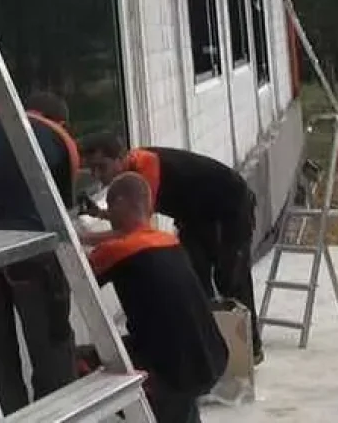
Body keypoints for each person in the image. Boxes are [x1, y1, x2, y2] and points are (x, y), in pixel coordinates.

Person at [80, 134, 263, 364]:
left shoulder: (146, 165)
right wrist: (100, 214)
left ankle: (251, 349)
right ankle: (211, 349)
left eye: (102, 167)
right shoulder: (130, 175)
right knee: (197, 280)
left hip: (229, 206)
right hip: (195, 217)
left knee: (231, 278)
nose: (98, 175)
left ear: (120, 158)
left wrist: (83, 238)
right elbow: (131, 220)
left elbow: (132, 229)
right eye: (92, 170)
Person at [0, 90, 81, 414]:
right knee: (51, 350)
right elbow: (63, 214)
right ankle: (59, 415)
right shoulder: (57, 137)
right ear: (58, 121)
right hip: (33, 254)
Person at [80, 173, 228, 423]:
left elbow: (76, 275)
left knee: (79, 363)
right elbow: (127, 237)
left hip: (169, 372)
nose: (109, 217)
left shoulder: (116, 251)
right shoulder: (167, 241)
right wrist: (87, 238)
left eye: (111, 208)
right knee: (181, 405)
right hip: (209, 357)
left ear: (120, 203)